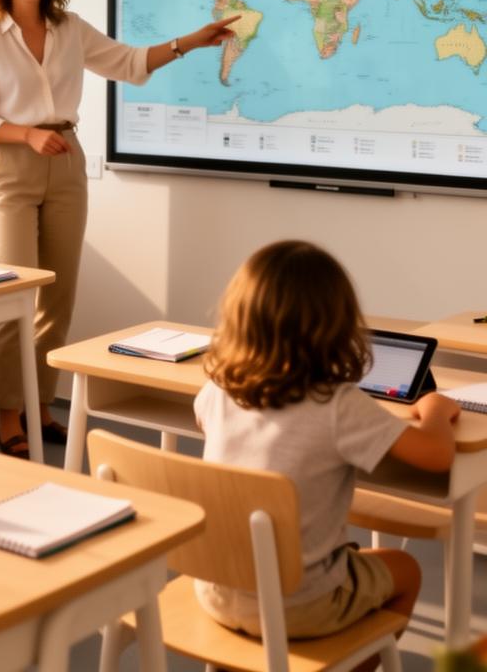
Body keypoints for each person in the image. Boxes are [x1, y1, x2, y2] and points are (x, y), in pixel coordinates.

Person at [0, 0, 237, 458]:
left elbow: (129, 63)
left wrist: (190, 43)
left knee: (57, 300)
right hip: (10, 166)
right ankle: (10, 417)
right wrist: (27, 135)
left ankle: (42, 406)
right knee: (18, 294)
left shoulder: (70, 28)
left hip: (65, 162)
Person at [195, 239, 458, 649]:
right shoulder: (337, 405)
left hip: (214, 591)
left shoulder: (217, 390)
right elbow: (438, 455)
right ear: (337, 325)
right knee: (405, 570)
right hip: (299, 606)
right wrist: (436, 409)